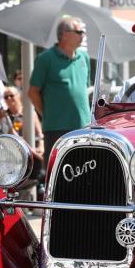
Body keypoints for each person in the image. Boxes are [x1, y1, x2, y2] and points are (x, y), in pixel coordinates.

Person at [29, 16, 92, 160]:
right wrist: (49, 113)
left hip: (83, 127)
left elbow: (85, 89)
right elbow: (33, 92)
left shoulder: (84, 57)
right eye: (79, 32)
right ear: (64, 34)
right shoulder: (45, 59)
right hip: (56, 129)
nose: (83, 35)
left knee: (85, 171)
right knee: (56, 172)